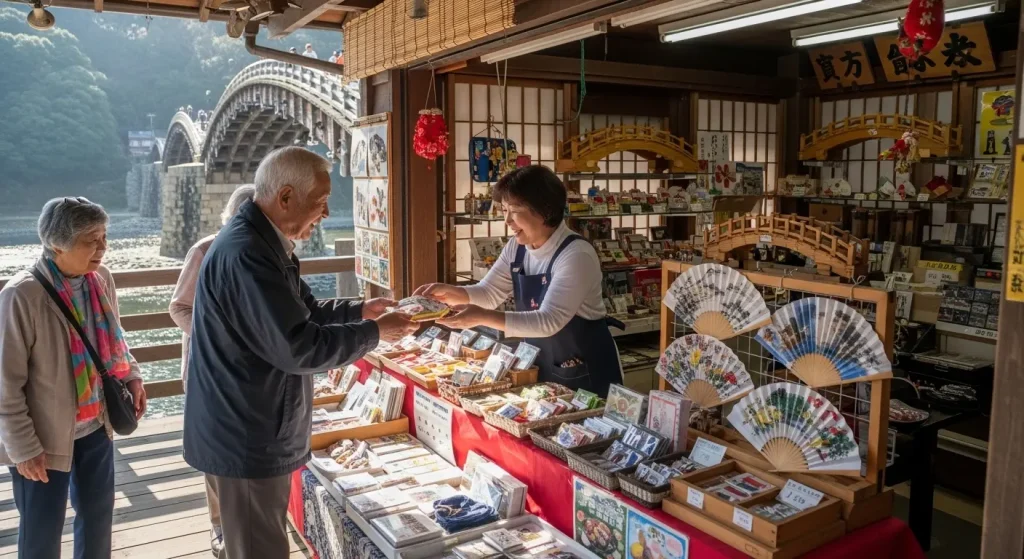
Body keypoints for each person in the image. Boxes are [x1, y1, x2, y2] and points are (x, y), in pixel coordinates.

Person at [182, 147, 417, 559]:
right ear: (286, 197)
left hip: (248, 421)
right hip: (246, 429)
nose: (325, 214)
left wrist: (361, 310)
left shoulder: (260, 241)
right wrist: (374, 333)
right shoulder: (248, 253)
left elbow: (304, 312)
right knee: (259, 547)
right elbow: (299, 346)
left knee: (255, 539)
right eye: (321, 201)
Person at [0, 196, 148, 559]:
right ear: (56, 244)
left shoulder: (101, 278)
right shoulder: (23, 295)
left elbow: (114, 337)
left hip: (96, 423)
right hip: (43, 438)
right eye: (91, 240)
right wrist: (23, 449)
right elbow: (5, 384)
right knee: (41, 533)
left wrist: (133, 377)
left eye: (103, 236)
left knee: (98, 520)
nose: (103, 247)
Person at [415, 165, 623, 396]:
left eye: (513, 210)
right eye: (503, 210)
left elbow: (548, 320)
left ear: (544, 209)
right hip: (542, 360)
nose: (507, 220)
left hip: (586, 369)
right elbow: (489, 292)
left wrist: (482, 317)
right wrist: (450, 293)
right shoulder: (517, 247)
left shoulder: (576, 255)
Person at [169, 184, 256, 555]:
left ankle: (248, 518)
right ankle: (220, 525)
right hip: (208, 369)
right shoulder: (204, 250)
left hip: (249, 371)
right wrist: (219, 335)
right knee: (216, 452)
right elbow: (179, 307)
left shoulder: (262, 252)